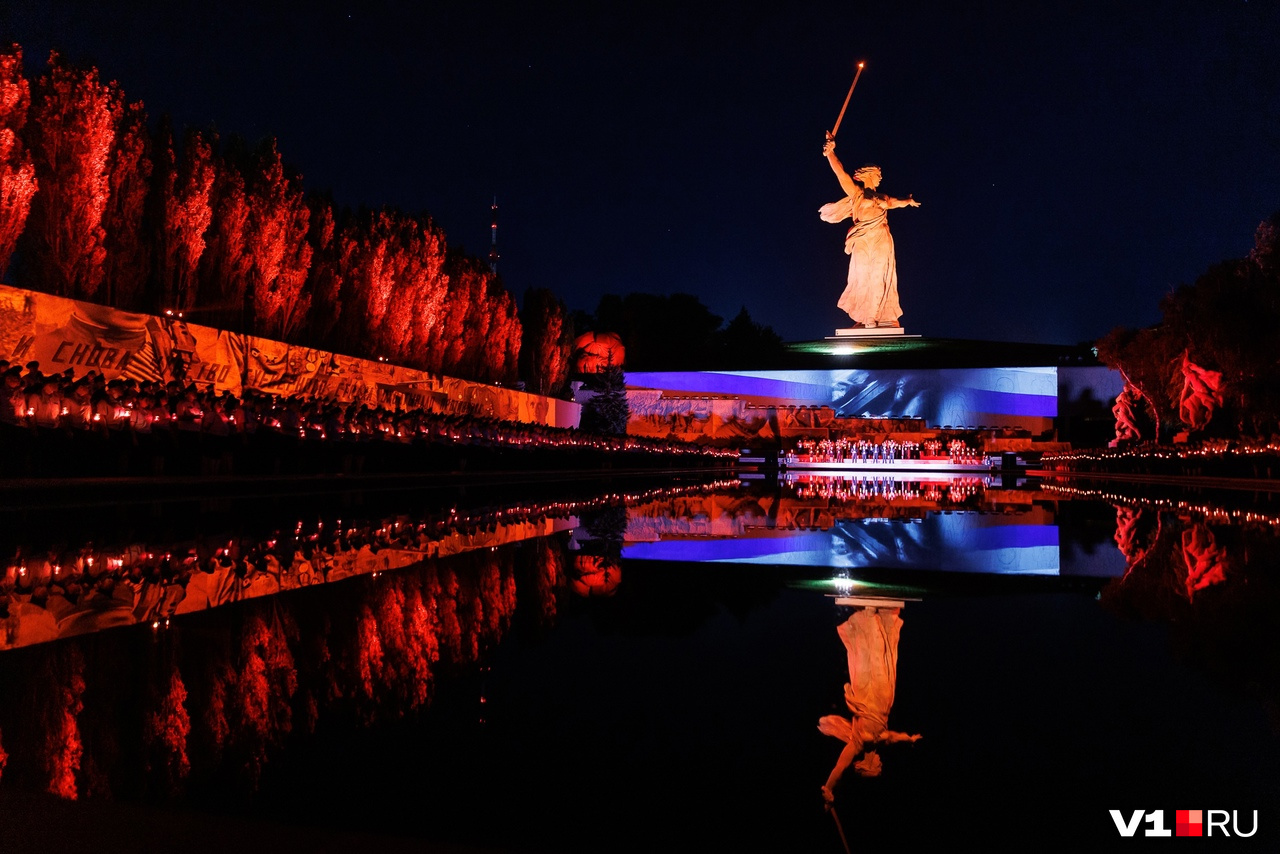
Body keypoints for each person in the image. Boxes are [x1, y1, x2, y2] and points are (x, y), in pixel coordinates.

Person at [819, 606, 921, 803]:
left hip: (865, 698)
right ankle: (878, 617)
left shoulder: (856, 744)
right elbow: (894, 737)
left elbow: (839, 767)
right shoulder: (879, 741)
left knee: (867, 657)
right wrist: (910, 739)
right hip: (883, 699)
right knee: (880, 656)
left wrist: (829, 789)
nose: (881, 764)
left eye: (878, 767)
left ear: (868, 766)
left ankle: (867, 615)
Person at [820, 136, 920, 329]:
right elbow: (841, 174)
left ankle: (876, 316)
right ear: (868, 175)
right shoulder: (857, 194)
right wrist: (831, 153)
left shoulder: (882, 196)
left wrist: (908, 201)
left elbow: (894, 202)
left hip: (882, 237)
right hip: (863, 238)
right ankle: (866, 317)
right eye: (878, 174)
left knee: (879, 275)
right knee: (863, 275)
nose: (880, 177)